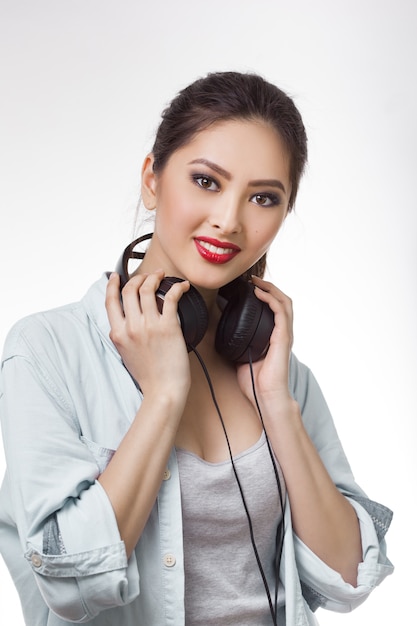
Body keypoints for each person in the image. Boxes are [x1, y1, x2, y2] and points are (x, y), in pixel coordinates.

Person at [0, 71, 393, 626]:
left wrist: (277, 406)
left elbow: (348, 577)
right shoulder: (46, 353)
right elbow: (70, 586)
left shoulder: (275, 367)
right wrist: (162, 395)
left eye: (262, 197)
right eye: (207, 181)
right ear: (152, 179)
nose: (229, 221)